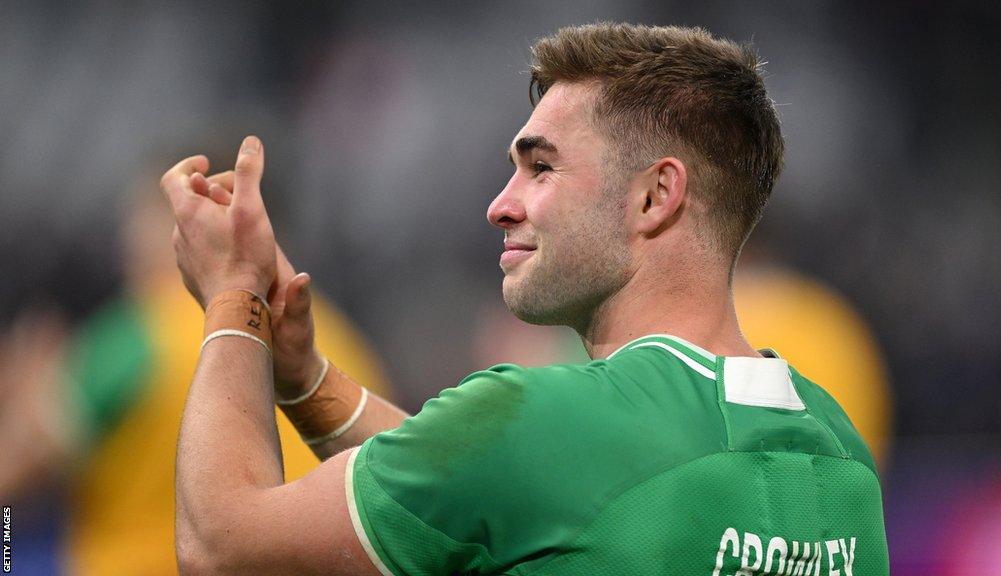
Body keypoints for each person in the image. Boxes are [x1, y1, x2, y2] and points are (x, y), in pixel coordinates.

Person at [162, 23, 889, 574]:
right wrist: (308, 383)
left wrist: (234, 297)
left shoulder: (543, 420)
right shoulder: (838, 448)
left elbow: (220, 545)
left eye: (541, 168)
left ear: (655, 196)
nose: (500, 205)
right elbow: (506, 486)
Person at [0, 166, 391, 575]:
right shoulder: (348, 345)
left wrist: (21, 398)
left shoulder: (142, 331)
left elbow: (11, 477)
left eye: (143, 221)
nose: (126, 243)